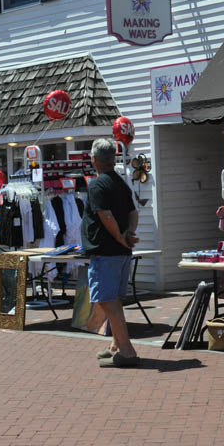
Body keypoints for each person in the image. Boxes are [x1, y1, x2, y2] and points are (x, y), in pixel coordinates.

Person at [81, 138, 140, 368]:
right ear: (113, 159)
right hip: (120, 252)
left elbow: (105, 216)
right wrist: (127, 234)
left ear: (94, 159)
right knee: (113, 298)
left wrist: (119, 237)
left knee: (106, 300)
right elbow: (133, 213)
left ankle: (127, 351)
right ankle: (116, 346)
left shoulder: (97, 185)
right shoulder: (120, 183)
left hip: (106, 252)